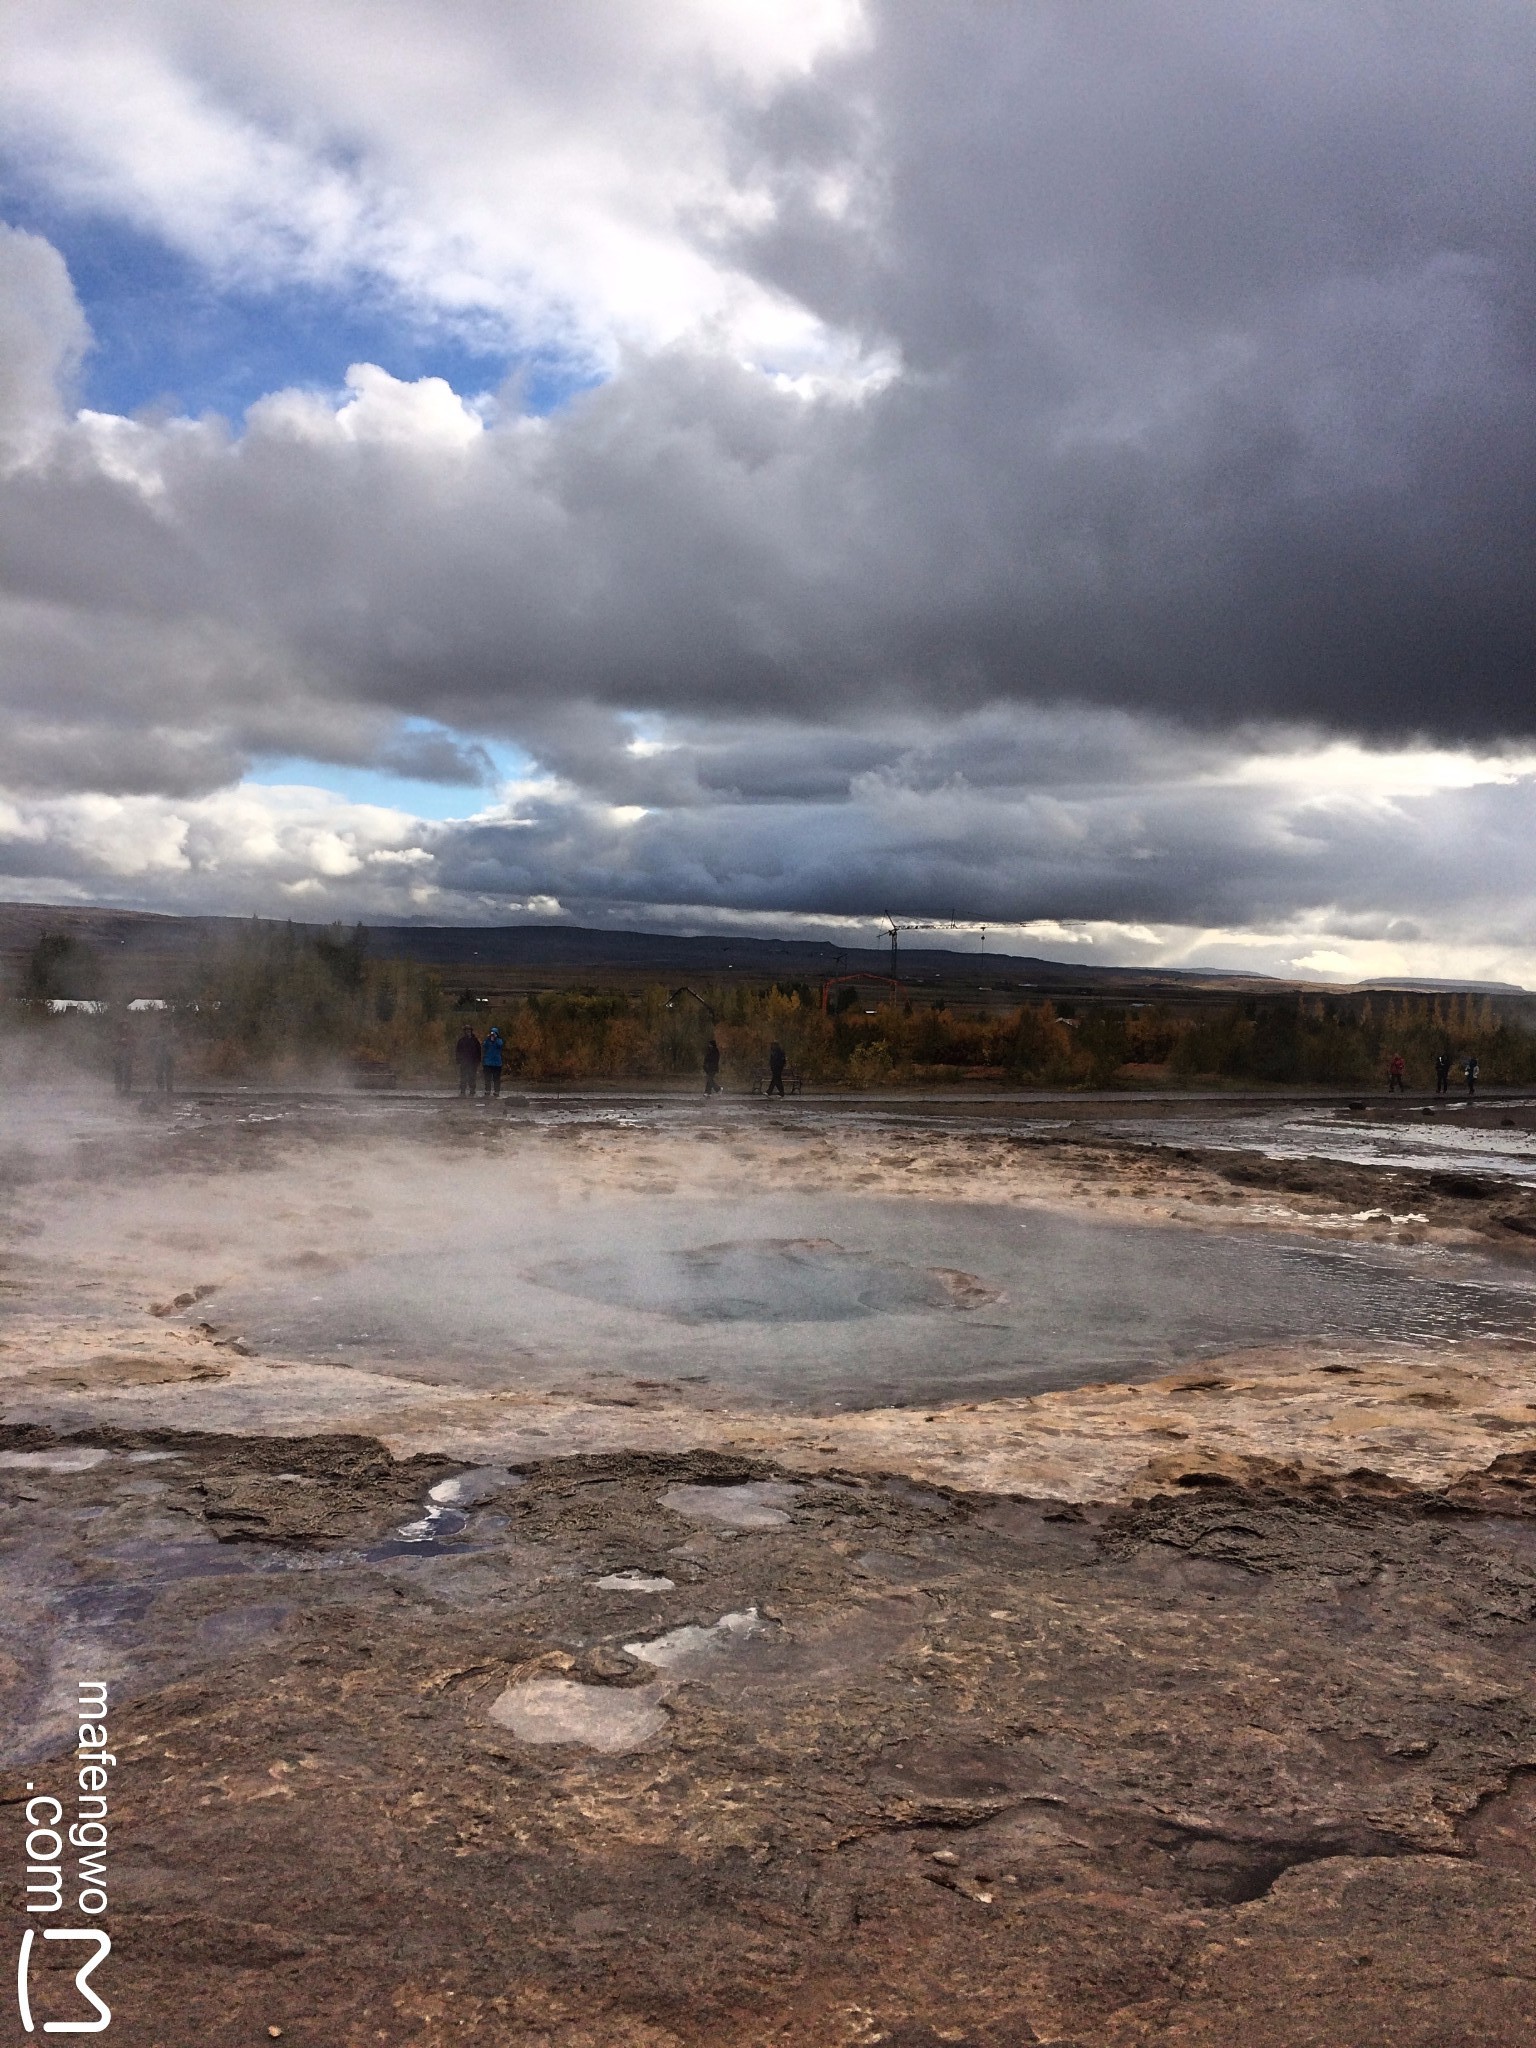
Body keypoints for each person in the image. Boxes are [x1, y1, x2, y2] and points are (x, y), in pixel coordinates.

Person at [455, 1024, 482, 1097]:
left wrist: (478, 1061)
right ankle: (462, 1091)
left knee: (472, 1076)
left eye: (469, 1030)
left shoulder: (475, 1040)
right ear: (464, 1031)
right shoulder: (461, 1041)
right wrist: (458, 1060)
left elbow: (479, 1051)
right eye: (466, 1030)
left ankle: (472, 1091)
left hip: (473, 1062)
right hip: (464, 1062)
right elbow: (458, 1051)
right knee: (463, 1076)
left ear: (471, 1031)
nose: (468, 1031)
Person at [152, 1013, 174, 1094]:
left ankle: (169, 1090)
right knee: (159, 1073)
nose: (165, 1022)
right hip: (159, 1054)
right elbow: (150, 1039)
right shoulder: (157, 1030)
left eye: (166, 1020)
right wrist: (157, 1039)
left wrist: (169, 1039)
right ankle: (160, 1089)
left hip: (169, 1054)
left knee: (169, 1074)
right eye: (163, 1020)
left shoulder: (172, 1029)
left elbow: (176, 1038)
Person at [481, 1024, 505, 1098]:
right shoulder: (487, 1041)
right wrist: (488, 1039)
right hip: (488, 1063)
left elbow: (500, 1045)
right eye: (491, 1033)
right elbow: (484, 1045)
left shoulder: (499, 1041)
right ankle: (487, 1090)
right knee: (487, 1078)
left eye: (494, 1033)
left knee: (496, 1078)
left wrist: (495, 1039)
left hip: (497, 1063)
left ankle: (496, 1091)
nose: (492, 1035)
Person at [113, 1019, 134, 1096]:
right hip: (119, 1056)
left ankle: (127, 1089)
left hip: (127, 1056)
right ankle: (118, 1088)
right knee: (118, 1072)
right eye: (123, 1025)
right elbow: (114, 1041)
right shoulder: (117, 1034)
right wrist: (120, 1041)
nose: (124, 1027)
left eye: (126, 1025)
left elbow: (133, 1042)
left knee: (128, 1072)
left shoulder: (130, 1034)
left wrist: (126, 1041)